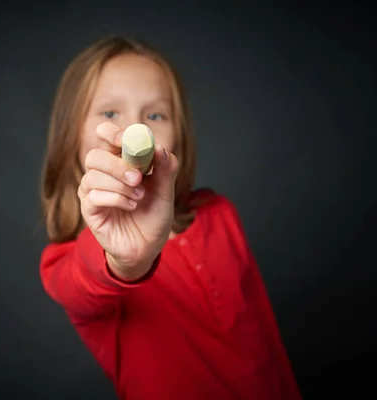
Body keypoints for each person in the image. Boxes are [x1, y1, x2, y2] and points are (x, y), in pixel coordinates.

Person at [39, 35, 301, 399]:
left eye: (156, 115)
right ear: (72, 137)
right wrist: (124, 260)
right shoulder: (63, 262)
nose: (136, 130)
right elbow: (83, 285)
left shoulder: (219, 215)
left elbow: (267, 347)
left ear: (179, 136)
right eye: (110, 113)